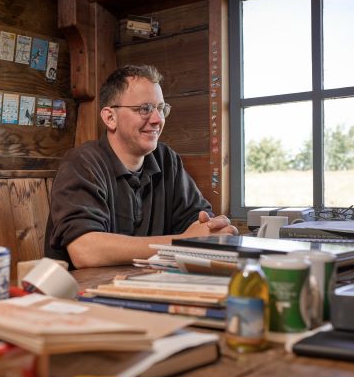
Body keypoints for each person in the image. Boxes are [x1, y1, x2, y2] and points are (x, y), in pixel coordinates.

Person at [45, 64, 237, 269]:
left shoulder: (167, 160)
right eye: (144, 109)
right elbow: (85, 251)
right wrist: (182, 244)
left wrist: (212, 229)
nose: (157, 119)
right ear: (110, 117)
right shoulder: (81, 163)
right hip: (82, 288)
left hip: (147, 283)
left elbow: (197, 222)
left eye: (161, 108)